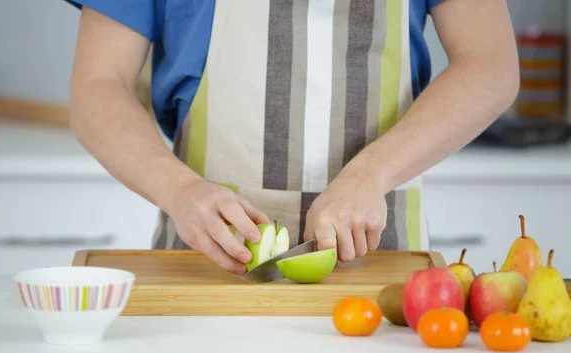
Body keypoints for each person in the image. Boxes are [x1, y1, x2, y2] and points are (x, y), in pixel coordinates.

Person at [63, 0, 519, 275]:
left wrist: (369, 175)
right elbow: (98, 84)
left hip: (381, 269)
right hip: (203, 270)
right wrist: (180, 192)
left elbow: (490, 65)